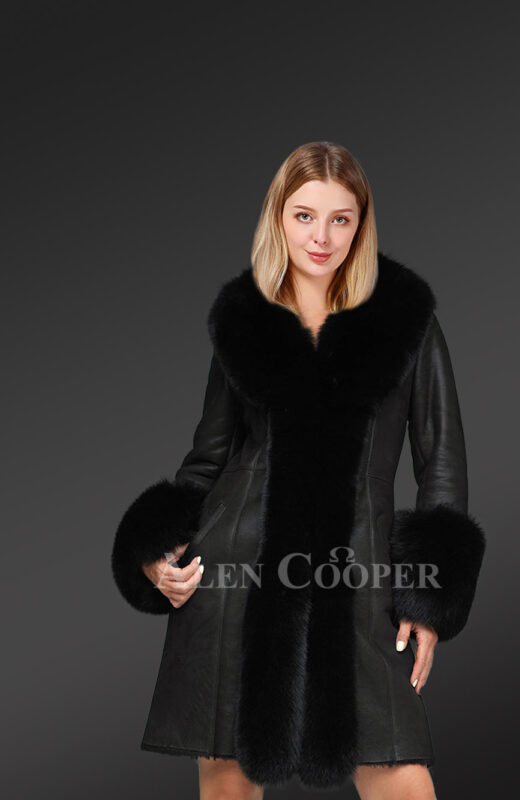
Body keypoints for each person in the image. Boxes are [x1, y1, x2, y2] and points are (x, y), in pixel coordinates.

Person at [111, 141, 486, 799]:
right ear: (278, 218)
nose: (322, 237)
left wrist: (428, 602)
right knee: (228, 781)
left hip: (361, 578)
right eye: (305, 216)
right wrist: (153, 549)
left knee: (401, 778)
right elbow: (209, 458)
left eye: (341, 219)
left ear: (361, 224)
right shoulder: (244, 319)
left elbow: (443, 465)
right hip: (238, 575)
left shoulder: (405, 320)